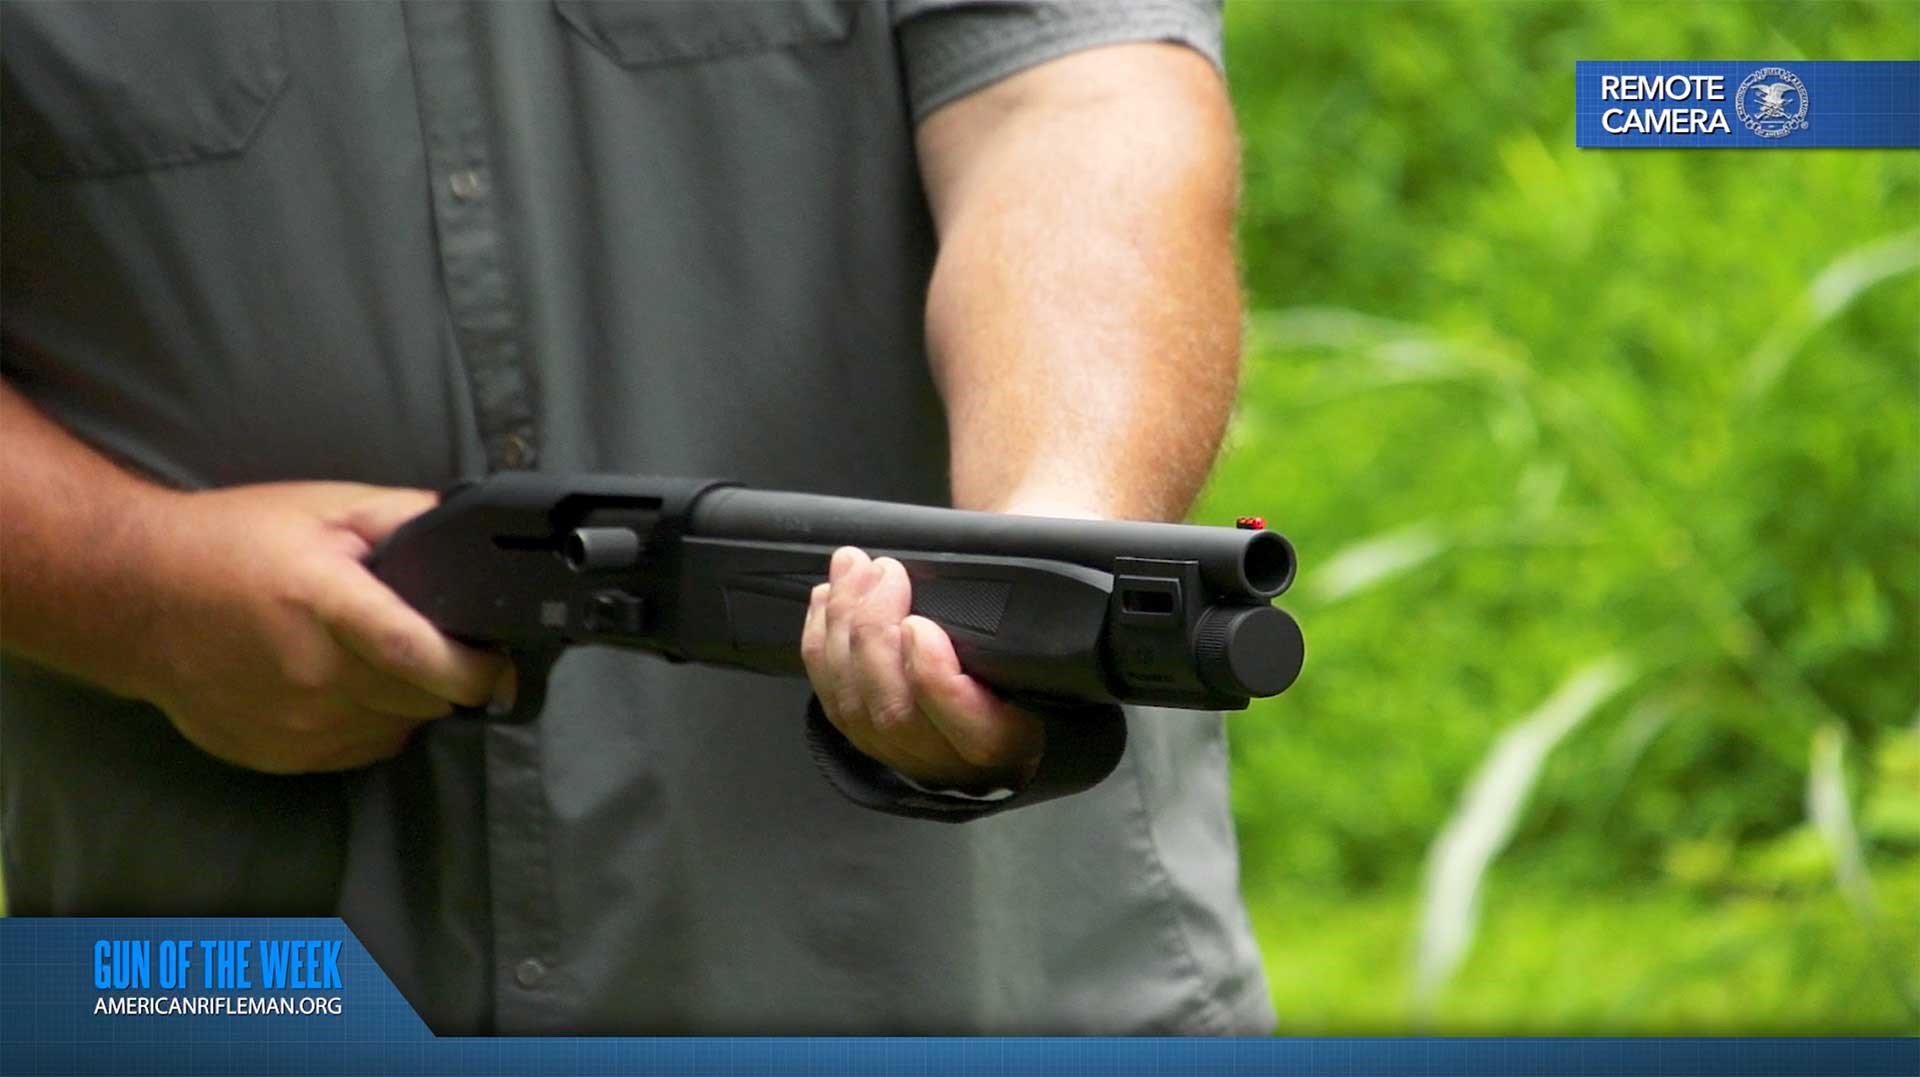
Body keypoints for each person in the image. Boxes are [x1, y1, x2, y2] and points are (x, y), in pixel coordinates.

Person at [0, 0, 1270, 1034]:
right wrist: (126, 581)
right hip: (220, 990)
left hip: (948, 980)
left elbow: (1074, 99)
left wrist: (1036, 562)